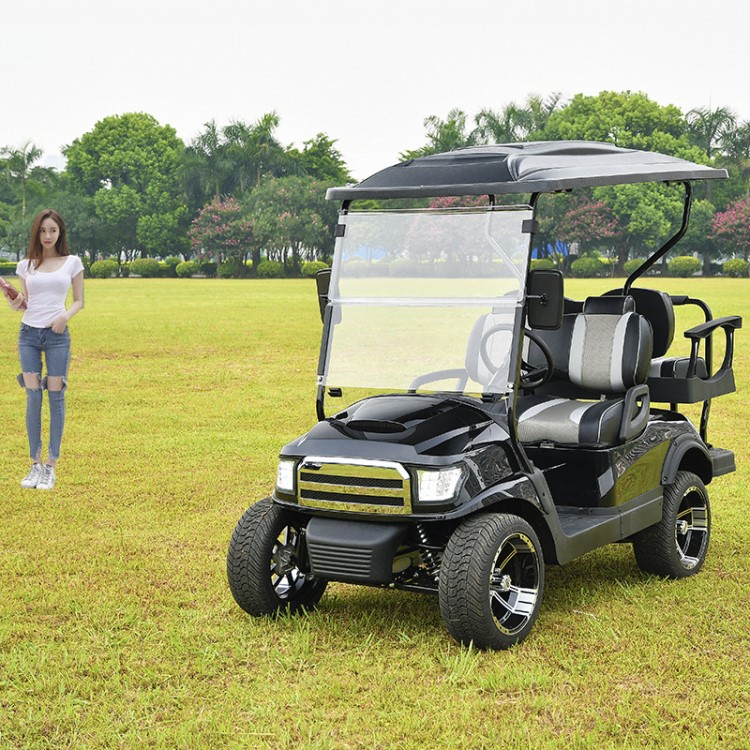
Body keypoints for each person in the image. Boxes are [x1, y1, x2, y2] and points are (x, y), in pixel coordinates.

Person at [6, 208, 84, 490]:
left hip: (57, 335)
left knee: (55, 396)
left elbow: (78, 301)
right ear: (36, 233)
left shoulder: (72, 262)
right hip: (28, 334)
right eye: (42, 230)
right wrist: (15, 302)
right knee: (32, 397)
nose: (47, 235)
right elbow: (25, 300)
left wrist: (64, 316)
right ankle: (35, 464)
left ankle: (51, 465)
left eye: (52, 230)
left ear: (60, 231)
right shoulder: (26, 265)